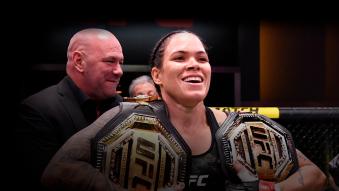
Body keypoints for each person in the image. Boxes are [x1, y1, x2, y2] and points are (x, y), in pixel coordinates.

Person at [41, 30, 326, 191]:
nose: (194, 64)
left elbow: (315, 175)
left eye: (202, 58)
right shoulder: (122, 121)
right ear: (158, 75)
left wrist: (272, 190)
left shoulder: (247, 128)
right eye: (180, 58)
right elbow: (58, 171)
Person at [15, 28, 124, 190]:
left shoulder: (121, 107)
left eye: (120, 62)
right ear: (79, 61)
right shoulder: (36, 110)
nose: (119, 71)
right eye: (110, 61)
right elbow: (51, 181)